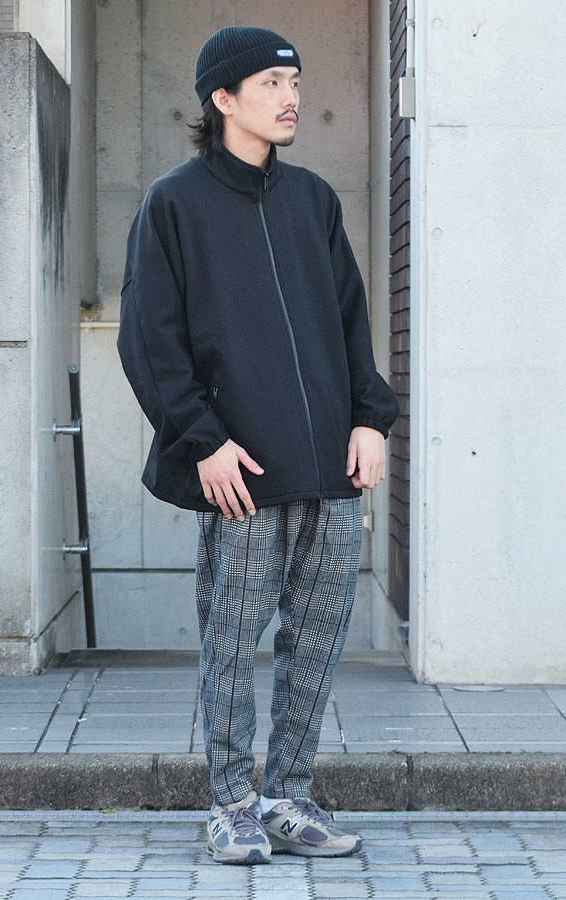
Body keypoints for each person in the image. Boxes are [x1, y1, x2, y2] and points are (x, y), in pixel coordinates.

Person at [117, 24, 400, 865]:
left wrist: (370, 417)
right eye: (273, 84)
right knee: (232, 645)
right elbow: (149, 339)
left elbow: (350, 319)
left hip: (330, 467)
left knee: (316, 641)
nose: (291, 98)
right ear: (222, 97)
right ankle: (232, 804)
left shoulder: (313, 199)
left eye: (296, 83)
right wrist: (202, 441)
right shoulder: (174, 203)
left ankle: (288, 797)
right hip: (238, 467)